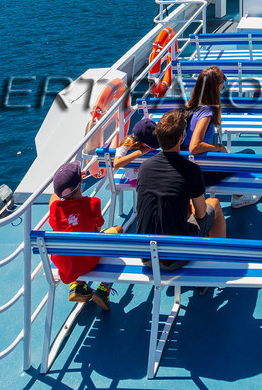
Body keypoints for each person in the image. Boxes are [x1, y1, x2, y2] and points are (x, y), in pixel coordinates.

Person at [134, 109, 226, 282]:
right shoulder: (191, 170)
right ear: (182, 137)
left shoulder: (144, 167)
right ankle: (215, 268)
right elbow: (201, 214)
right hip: (175, 257)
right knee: (214, 203)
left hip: (145, 255)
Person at [46, 161, 119, 311]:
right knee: (118, 231)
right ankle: (103, 289)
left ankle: (78, 284)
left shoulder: (55, 209)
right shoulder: (93, 203)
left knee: (74, 249)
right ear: (80, 183)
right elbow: (98, 229)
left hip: (67, 266)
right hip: (89, 261)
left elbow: (54, 198)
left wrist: (68, 185)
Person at [186, 65, 258, 207]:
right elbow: (194, 147)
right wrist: (218, 147)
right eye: (222, 81)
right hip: (202, 173)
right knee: (249, 155)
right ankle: (238, 197)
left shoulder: (190, 106)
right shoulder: (206, 112)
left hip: (188, 167)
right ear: (215, 87)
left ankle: (237, 193)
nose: (224, 84)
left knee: (231, 157)